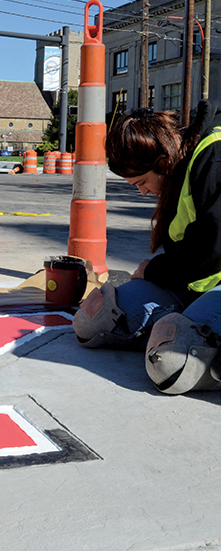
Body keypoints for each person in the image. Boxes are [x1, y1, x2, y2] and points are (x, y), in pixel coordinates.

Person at [73, 99, 221, 394]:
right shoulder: (179, 169)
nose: (143, 192)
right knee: (92, 320)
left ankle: (194, 337)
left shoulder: (213, 157)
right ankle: (182, 327)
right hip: (190, 284)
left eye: (142, 182)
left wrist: (153, 270)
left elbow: (211, 250)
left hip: (211, 278)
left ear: (163, 163)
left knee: (170, 363)